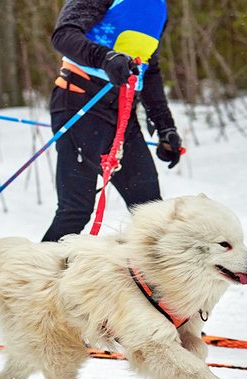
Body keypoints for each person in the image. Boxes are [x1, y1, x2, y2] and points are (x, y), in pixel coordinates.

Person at [43, 0, 183, 242]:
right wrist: (105, 57)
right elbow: (64, 35)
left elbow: (150, 69)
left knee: (150, 212)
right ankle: (36, 278)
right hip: (80, 100)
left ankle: (144, 279)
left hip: (124, 113)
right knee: (75, 211)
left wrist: (165, 126)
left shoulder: (158, 6)